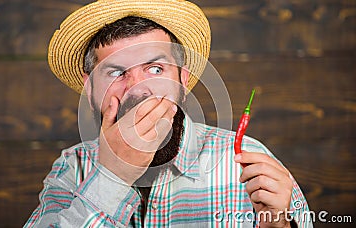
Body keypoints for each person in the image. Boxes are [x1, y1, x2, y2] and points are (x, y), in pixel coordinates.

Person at [25, 0, 313, 227]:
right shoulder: (72, 166)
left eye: (155, 69)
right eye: (115, 72)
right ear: (90, 90)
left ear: (182, 81)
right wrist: (113, 175)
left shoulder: (245, 162)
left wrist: (277, 226)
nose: (138, 89)